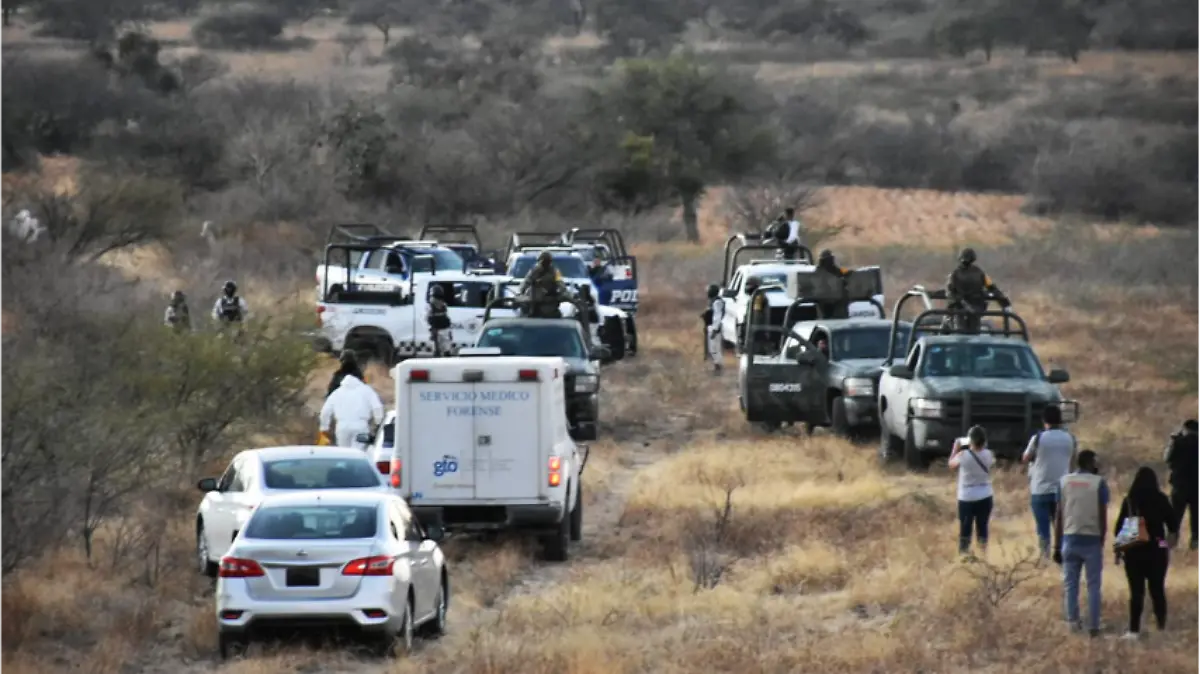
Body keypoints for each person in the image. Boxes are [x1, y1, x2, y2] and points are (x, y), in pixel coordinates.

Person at [1113, 466, 1179, 639]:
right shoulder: (1161, 499)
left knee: (1136, 592)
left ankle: (1133, 629)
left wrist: (1120, 549)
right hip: (1157, 550)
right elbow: (1173, 527)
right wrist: (1164, 544)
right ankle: (1161, 626)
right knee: (1157, 589)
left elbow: (1118, 529)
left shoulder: (1130, 501)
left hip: (1134, 552)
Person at [1053, 449, 1110, 637]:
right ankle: (1093, 626)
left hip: (1069, 537)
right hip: (1091, 538)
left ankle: (1072, 623)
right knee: (1093, 585)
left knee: (1071, 585)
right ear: (1090, 463)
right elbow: (1103, 514)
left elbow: (1059, 514)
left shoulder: (1064, 482)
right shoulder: (1098, 483)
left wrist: (1056, 543)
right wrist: (1102, 538)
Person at [1021, 405, 1078, 558]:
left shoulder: (1038, 438)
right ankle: (1063, 555)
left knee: (1043, 529)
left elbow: (1025, 458)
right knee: (1061, 528)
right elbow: (1073, 463)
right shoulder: (1070, 438)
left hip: (1040, 489)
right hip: (1063, 489)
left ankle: (1044, 556)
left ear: (1044, 420)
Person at [948, 426, 995, 557]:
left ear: (970, 441)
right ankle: (983, 554)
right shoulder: (989, 454)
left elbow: (951, 464)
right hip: (985, 495)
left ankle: (964, 555)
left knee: (965, 529)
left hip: (966, 497)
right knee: (982, 528)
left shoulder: (963, 455)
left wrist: (956, 447)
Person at [946, 248, 1009, 334]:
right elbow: (993, 288)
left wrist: (958, 304)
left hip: (960, 310)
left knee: (959, 334)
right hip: (975, 309)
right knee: (974, 335)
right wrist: (1005, 303)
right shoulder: (980, 273)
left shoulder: (955, 274)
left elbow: (950, 293)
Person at [318, 373, 384, 448]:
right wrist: (378, 423)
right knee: (358, 453)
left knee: (344, 453)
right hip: (360, 425)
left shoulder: (337, 393)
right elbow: (377, 407)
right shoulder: (367, 390)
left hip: (342, 426)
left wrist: (324, 427)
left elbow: (325, 412)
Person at [1164, 419, 1199, 550]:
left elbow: (1166, 458)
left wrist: (1172, 441)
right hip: (1197, 488)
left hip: (1179, 487)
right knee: (1197, 521)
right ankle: (1195, 547)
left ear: (1185, 429)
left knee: (1174, 519)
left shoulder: (1178, 442)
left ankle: (1169, 546)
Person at [520, 251, 565, 318]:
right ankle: (532, 311)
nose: (545, 263)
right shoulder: (535, 270)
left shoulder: (554, 271)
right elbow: (527, 281)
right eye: (544, 261)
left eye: (547, 261)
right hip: (535, 298)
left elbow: (560, 282)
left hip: (550, 297)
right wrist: (521, 291)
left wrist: (562, 291)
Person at [703, 284, 724, 374]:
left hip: (714, 328)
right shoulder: (713, 301)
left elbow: (717, 316)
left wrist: (715, 329)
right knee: (712, 348)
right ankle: (716, 366)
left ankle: (718, 367)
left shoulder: (717, 302)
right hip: (711, 326)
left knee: (715, 348)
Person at [427, 284, 452, 357]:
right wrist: (431, 329)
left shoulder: (444, 306)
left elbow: (447, 318)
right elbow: (426, 319)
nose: (438, 300)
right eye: (436, 297)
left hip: (445, 330)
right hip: (435, 331)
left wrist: (449, 331)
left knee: (447, 351)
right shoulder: (429, 307)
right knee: (436, 351)